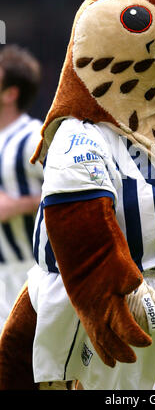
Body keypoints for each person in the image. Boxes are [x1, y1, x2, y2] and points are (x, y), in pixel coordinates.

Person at [0, 44, 43, 332]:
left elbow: (78, 195)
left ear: (10, 94)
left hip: (30, 273)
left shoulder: (33, 137)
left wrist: (19, 205)